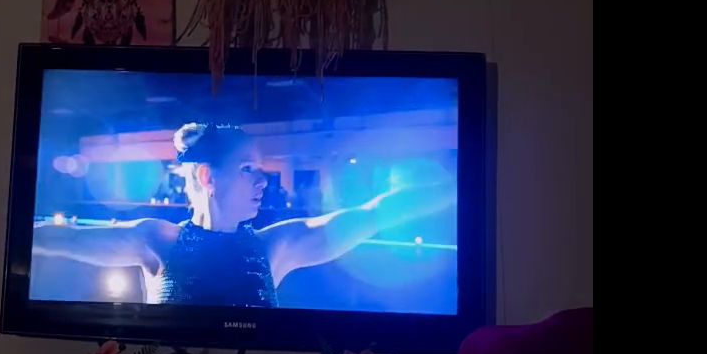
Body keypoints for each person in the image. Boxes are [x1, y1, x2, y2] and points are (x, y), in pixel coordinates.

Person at [32, 123, 451, 308]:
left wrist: (460, 186)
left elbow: (375, 214)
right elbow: (59, 238)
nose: (263, 180)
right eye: (248, 168)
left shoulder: (277, 245)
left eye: (261, 169)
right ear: (207, 176)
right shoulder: (156, 239)